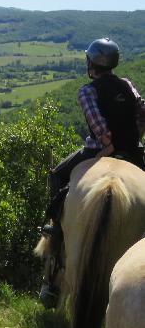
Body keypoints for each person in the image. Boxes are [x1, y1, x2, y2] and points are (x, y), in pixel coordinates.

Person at [39, 37, 145, 301]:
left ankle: (56, 230)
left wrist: (108, 145)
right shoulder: (128, 84)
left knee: (57, 174)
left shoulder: (87, 91)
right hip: (133, 151)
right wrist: (133, 139)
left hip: (99, 150)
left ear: (91, 63)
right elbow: (142, 112)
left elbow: (97, 124)